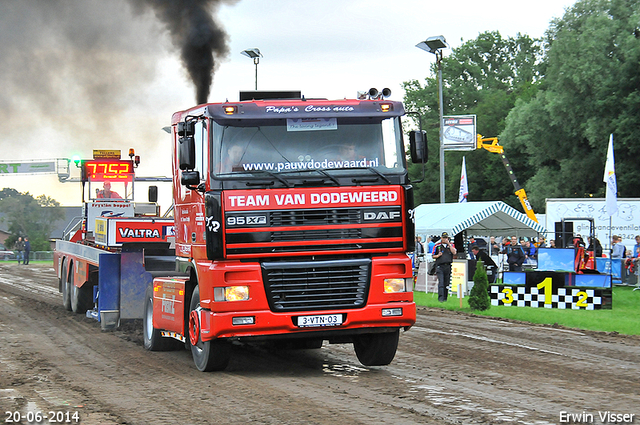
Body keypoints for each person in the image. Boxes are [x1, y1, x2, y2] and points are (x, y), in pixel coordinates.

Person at [432, 232, 457, 302]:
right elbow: (433, 255)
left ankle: (445, 298)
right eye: (444, 238)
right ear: (441, 238)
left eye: (446, 238)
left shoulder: (451, 245)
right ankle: (441, 298)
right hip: (440, 266)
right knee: (441, 283)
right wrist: (438, 256)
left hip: (448, 266)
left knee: (447, 283)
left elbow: (454, 252)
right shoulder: (437, 246)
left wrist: (449, 244)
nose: (445, 239)